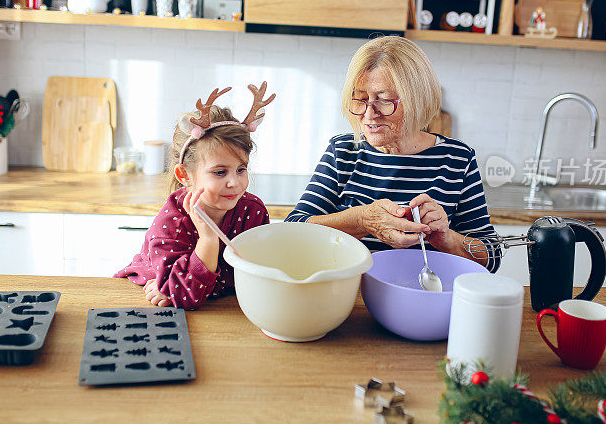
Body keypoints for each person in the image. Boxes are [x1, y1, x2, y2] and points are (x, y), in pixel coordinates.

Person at [285, 36, 500, 271]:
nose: (368, 114)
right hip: (347, 295)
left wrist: (447, 239)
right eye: (361, 98)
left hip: (425, 298)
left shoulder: (458, 159)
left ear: (417, 100)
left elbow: (491, 256)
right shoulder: (343, 152)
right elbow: (293, 230)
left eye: (384, 100)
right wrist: (361, 220)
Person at [115, 83, 276, 309]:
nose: (235, 182)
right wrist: (208, 238)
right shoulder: (171, 221)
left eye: (241, 169)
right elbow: (185, 298)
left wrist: (179, 289)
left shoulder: (253, 211)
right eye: (220, 172)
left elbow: (259, 273)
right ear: (185, 175)